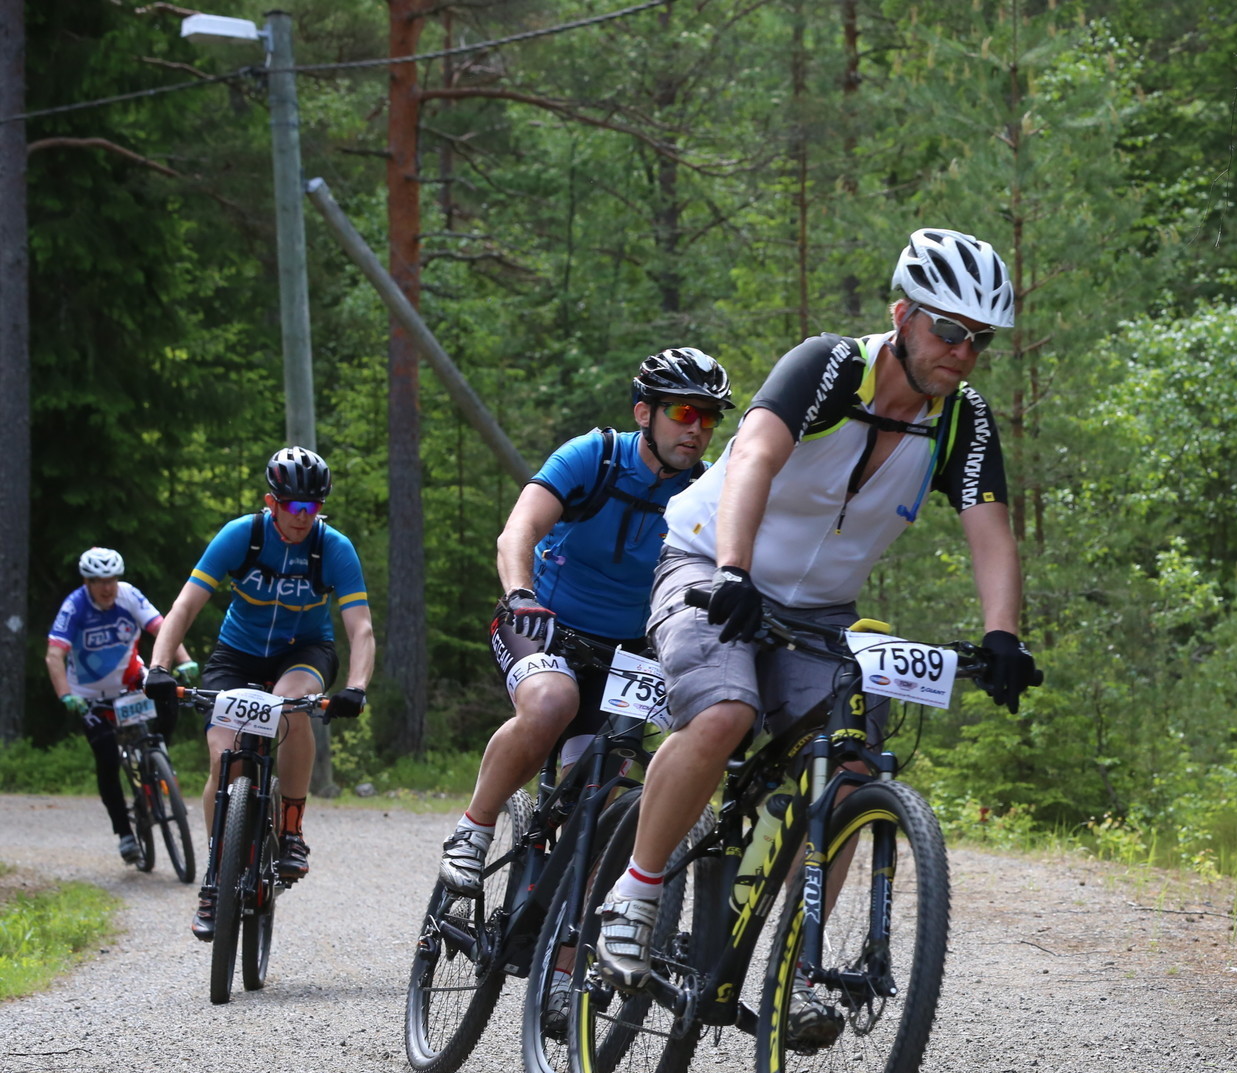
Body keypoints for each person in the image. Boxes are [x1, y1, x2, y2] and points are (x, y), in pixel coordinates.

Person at [595, 228, 1039, 1024]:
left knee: (852, 764)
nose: (964, 352)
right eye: (949, 330)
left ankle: (796, 969)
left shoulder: (962, 421)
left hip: (820, 609)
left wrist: (1003, 634)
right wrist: (733, 569)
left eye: (981, 340)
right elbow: (754, 459)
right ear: (902, 316)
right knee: (724, 713)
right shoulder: (829, 365)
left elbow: (990, 529)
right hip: (709, 563)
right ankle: (636, 891)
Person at [433, 348, 732, 890]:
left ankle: (559, 929)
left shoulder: (705, 491)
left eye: (708, 417)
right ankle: (473, 829)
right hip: (542, 625)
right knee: (551, 703)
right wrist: (519, 594)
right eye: (683, 412)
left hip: (627, 652)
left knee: (599, 796)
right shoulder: (594, 457)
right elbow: (518, 531)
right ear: (644, 413)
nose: (697, 428)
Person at [144, 447, 373, 938]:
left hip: (304, 651)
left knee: (291, 706)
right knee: (223, 756)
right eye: (294, 507)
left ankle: (290, 830)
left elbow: (361, 629)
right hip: (237, 653)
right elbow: (184, 606)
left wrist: (356, 686)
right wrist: (159, 667)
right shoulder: (241, 536)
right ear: (272, 503)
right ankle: (216, 878)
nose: (303, 517)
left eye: (313, 507)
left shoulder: (333, 548)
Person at [45, 547, 197, 863]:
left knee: (169, 696)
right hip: (90, 696)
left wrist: (184, 660)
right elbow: (54, 655)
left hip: (131, 681)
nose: (107, 587)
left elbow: (161, 627)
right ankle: (125, 834)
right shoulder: (75, 606)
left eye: (112, 579)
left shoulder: (128, 595)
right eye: (99, 581)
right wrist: (65, 695)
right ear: (87, 582)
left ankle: (157, 756)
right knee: (106, 758)